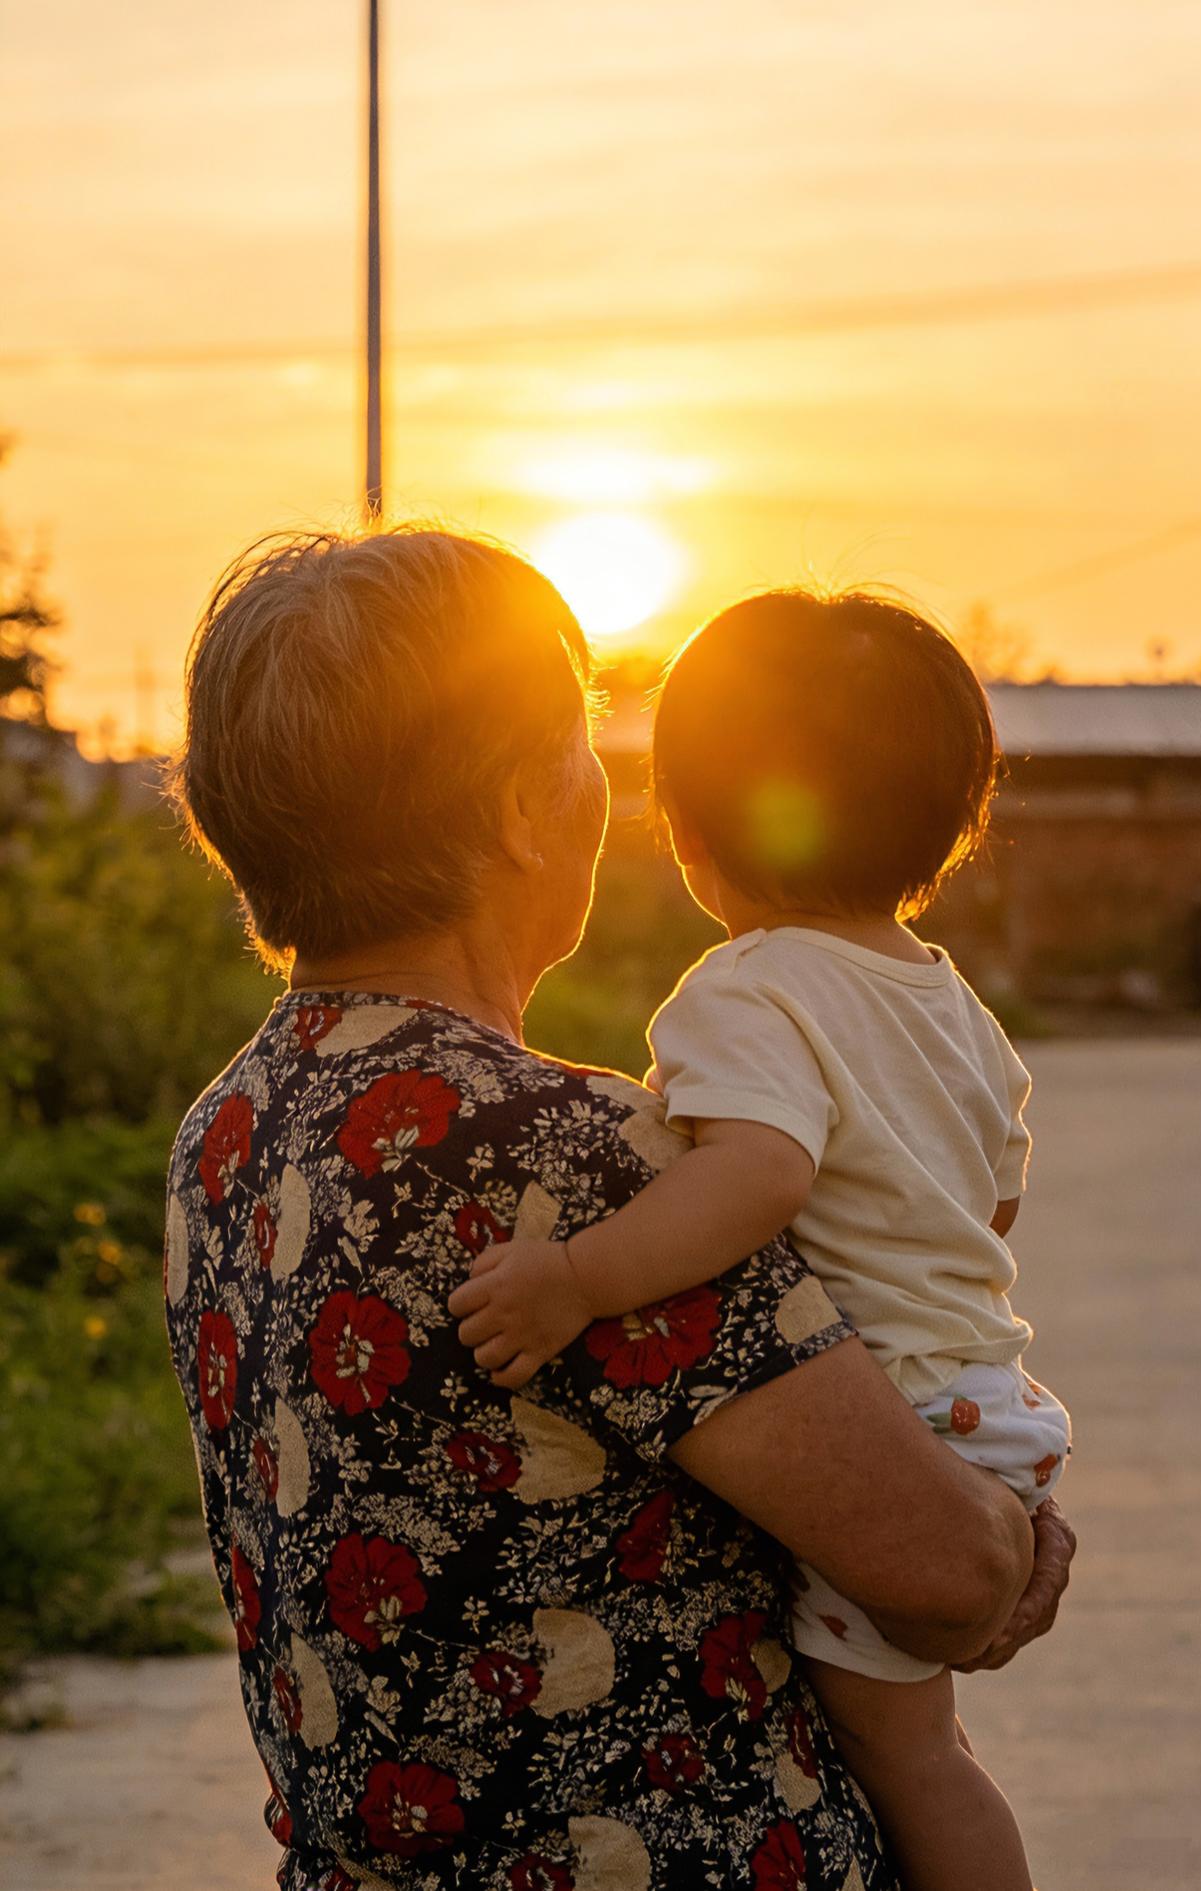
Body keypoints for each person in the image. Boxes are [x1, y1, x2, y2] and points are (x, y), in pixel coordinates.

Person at [163, 530, 1073, 1891]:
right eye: (586, 744)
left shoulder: (222, 1136)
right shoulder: (570, 1154)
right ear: (527, 808)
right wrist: (1010, 1532)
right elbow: (946, 1570)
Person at [452, 592, 1072, 1891]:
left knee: (909, 1753)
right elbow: (996, 1193)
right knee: (931, 1745)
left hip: (900, 1415)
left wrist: (574, 1279)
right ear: (946, 829)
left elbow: (759, 1175)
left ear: (684, 829)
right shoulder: (949, 998)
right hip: (984, 1397)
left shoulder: (743, 990)